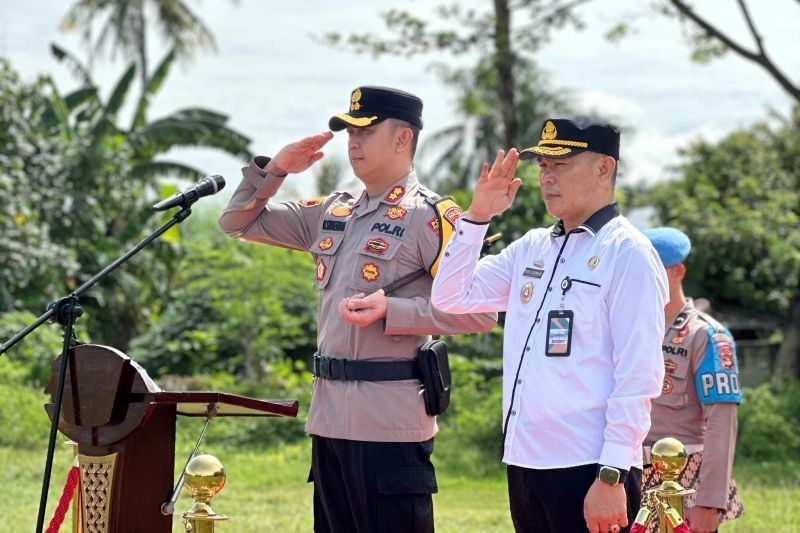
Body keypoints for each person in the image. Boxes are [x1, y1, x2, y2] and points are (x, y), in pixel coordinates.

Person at [219, 85, 496, 532]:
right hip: (329, 420)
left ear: (403, 138)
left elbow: (480, 312)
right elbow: (237, 222)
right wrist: (274, 171)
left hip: (389, 424)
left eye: (365, 131)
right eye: (348, 131)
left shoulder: (431, 216)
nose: (353, 142)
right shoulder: (333, 211)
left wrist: (394, 309)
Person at [431, 118, 668, 533]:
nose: (547, 177)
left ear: (604, 169)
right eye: (542, 166)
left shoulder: (627, 252)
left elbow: (639, 374)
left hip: (589, 466)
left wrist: (611, 473)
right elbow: (450, 297)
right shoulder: (533, 247)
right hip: (525, 461)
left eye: (561, 164)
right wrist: (477, 216)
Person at [642, 227, 744, 533]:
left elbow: (721, 424)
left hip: (684, 486)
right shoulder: (630, 329)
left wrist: (710, 502)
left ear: (678, 272)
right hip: (629, 480)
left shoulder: (707, 336)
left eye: (653, 272)